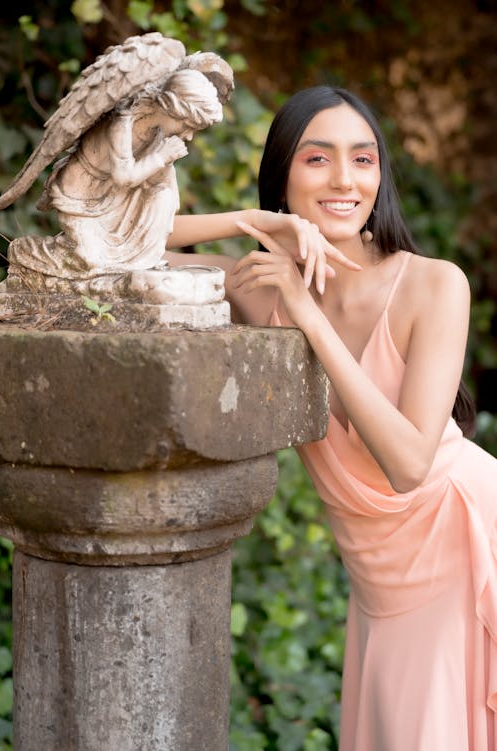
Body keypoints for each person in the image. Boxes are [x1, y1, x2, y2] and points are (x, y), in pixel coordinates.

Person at [165, 85, 496, 751]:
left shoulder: (434, 285)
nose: (345, 179)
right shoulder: (263, 288)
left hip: (465, 548)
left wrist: (306, 313)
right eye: (318, 159)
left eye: (363, 159)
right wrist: (250, 223)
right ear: (283, 176)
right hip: (379, 587)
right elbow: (119, 250)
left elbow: (407, 464)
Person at [4, 68, 224, 291]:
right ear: (170, 108)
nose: (188, 135)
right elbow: (124, 176)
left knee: (163, 195)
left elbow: (154, 178)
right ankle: (27, 251)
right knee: (87, 260)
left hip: (119, 195)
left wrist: (163, 177)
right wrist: (161, 157)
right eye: (187, 126)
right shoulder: (123, 123)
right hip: (83, 192)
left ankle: (139, 264)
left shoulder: (158, 130)